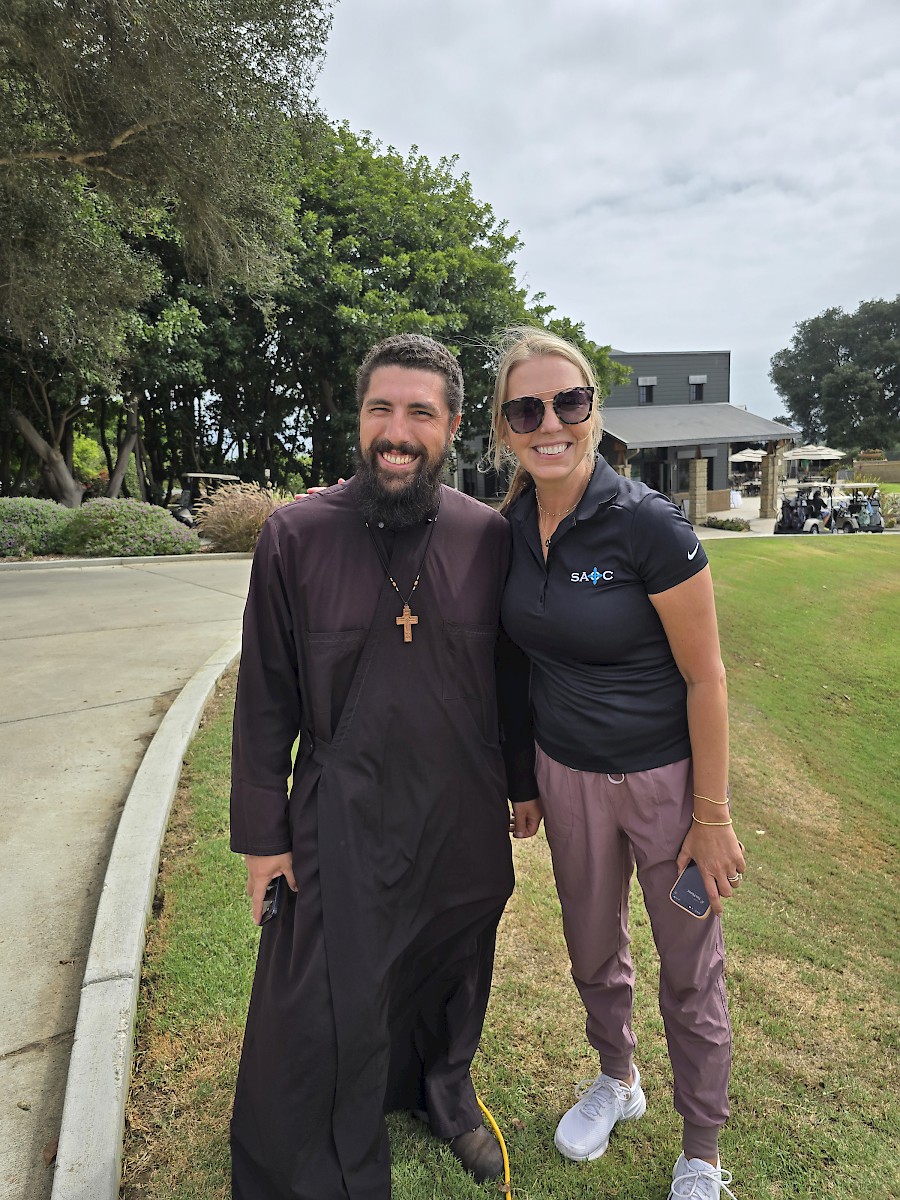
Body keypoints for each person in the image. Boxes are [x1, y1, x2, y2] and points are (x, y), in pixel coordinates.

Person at [230, 333, 516, 1199]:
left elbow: (512, 676)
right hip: (340, 806)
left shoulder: (487, 536)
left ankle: (443, 1092)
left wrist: (526, 786)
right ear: (358, 419)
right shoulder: (294, 535)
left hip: (459, 807)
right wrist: (264, 836)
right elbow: (265, 697)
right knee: (316, 996)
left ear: (453, 427)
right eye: (380, 409)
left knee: (453, 958)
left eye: (420, 413)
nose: (397, 432)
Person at [490, 327, 746, 1200]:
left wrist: (711, 816)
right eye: (527, 409)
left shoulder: (646, 522)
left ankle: (702, 1150)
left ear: (594, 411)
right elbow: (515, 667)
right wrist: (523, 780)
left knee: (690, 969)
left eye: (569, 402)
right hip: (566, 778)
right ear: (505, 428)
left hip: (667, 788)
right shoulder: (509, 529)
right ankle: (618, 1078)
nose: (550, 423)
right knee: (592, 947)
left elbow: (707, 677)